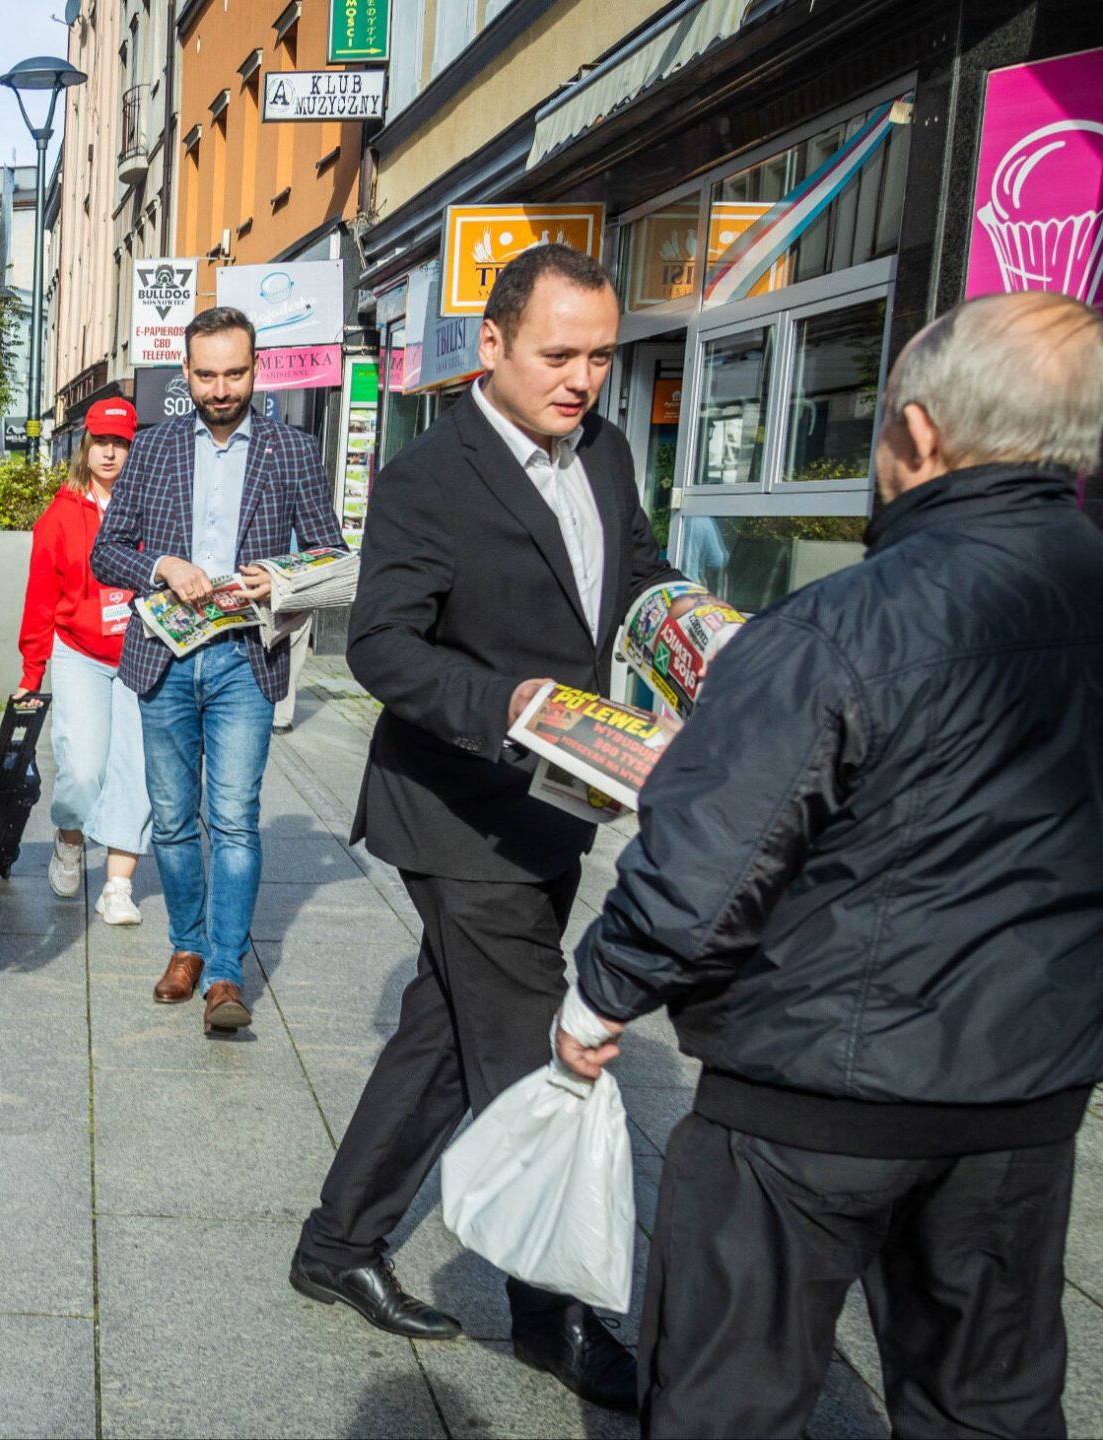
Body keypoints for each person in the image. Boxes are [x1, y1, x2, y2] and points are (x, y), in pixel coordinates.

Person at [554, 291, 1103, 1435]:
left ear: (915, 435)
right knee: (990, 1405)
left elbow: (709, 860)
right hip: (1028, 1088)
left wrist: (601, 991)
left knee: (726, 1396)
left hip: (809, 1096)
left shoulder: (837, 628)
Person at [288, 246, 688, 1412]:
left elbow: (641, 572)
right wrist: (502, 707)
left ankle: (337, 1243)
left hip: (556, 811)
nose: (582, 380)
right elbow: (380, 645)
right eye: (558, 354)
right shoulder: (428, 476)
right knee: (527, 1051)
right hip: (457, 809)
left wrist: (689, 628)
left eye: (602, 357)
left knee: (442, 1032)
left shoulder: (605, 452)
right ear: (493, 344)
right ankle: (551, 1316)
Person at [88, 307, 341, 1034]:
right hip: (164, 658)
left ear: (255, 369)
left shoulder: (291, 451)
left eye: (234, 373)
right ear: (186, 373)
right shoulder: (156, 447)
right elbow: (106, 554)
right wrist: (161, 564)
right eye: (206, 374)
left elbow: (330, 559)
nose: (221, 388)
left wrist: (280, 581)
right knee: (171, 822)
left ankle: (226, 971)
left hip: (244, 659)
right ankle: (187, 947)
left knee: (232, 820)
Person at [17, 396, 151, 927]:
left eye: (121, 443)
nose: (111, 453)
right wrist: (31, 674)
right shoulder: (60, 516)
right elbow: (39, 602)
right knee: (83, 769)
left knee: (136, 772)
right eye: (102, 441)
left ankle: (118, 886)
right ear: (85, 445)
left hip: (140, 652)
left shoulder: (150, 510)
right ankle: (70, 836)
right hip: (80, 653)